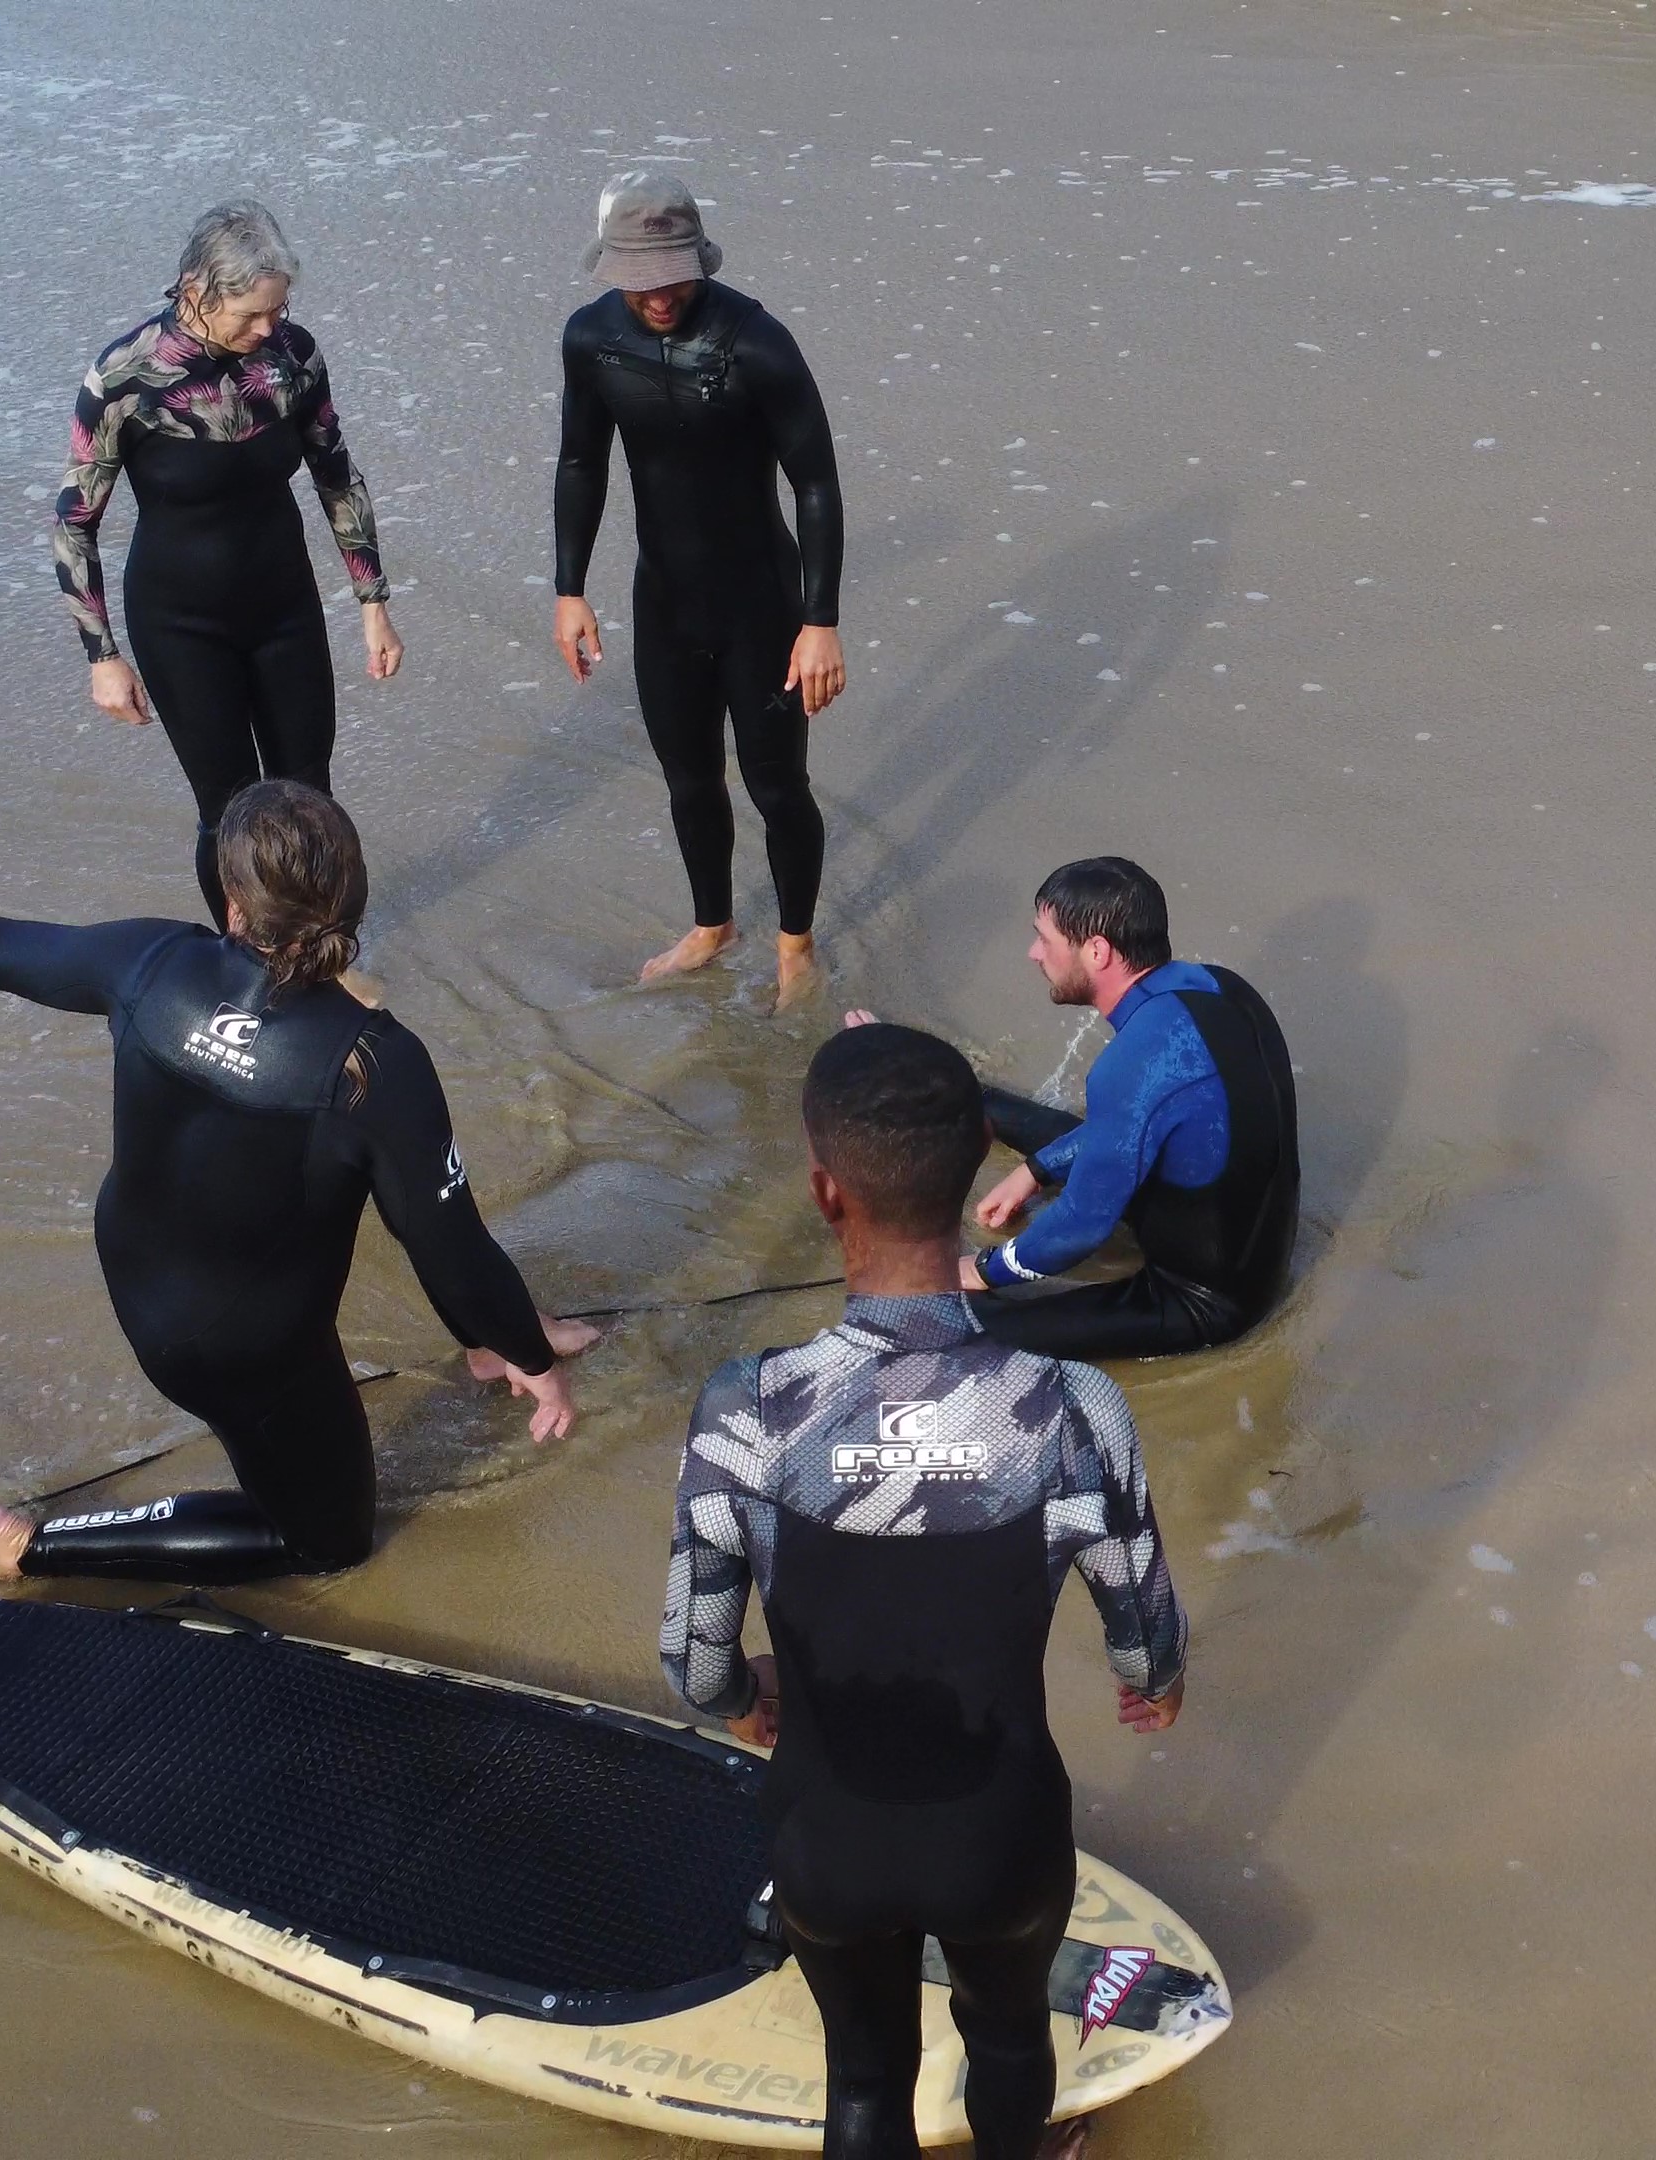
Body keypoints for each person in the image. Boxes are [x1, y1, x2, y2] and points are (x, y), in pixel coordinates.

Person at [0, 782, 594, 1588]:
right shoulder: (373, 1068)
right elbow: (449, 1248)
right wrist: (528, 1355)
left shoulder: (151, 962)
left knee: (280, 1420)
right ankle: (16, 1551)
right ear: (353, 900)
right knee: (327, 1543)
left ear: (233, 904)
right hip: (250, 1348)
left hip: (141, 1283)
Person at [660, 1024, 1185, 2160]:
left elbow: (693, 1666)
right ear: (974, 1169)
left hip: (826, 1834)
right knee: (1008, 2038)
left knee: (863, 2077)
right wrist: (1154, 1686)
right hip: (1000, 1834)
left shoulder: (748, 1409)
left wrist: (747, 1695)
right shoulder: (1072, 1409)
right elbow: (1145, 1637)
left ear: (824, 1190)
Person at [57, 200, 404, 922]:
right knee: (229, 812)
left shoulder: (293, 358)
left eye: (279, 310)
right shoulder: (124, 377)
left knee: (310, 800)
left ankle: (326, 956)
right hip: (180, 625)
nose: (268, 328)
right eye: (252, 314)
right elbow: (75, 521)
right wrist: (102, 657)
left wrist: (373, 603)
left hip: (284, 609)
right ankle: (243, 961)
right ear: (197, 290)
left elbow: (336, 475)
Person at [551, 172, 848, 1003]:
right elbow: (580, 463)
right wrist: (570, 589)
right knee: (689, 780)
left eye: (673, 276)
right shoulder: (590, 339)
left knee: (776, 785)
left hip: (762, 607)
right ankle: (713, 924)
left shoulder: (759, 344)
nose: (657, 296)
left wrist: (819, 622)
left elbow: (816, 484)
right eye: (638, 279)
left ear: (701, 258)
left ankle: (795, 946)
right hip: (665, 606)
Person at [845, 858, 1299, 1362]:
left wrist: (979, 1269)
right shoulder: (1220, 987)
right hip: (1249, 1242)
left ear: (1097, 952)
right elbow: (1153, 1110)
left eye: (1045, 939)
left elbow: (1079, 1229)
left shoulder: (1134, 1062)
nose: (1034, 953)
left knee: (942, 1326)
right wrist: (1036, 1171)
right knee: (1067, 1130)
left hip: (1202, 1301)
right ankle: (917, 1077)